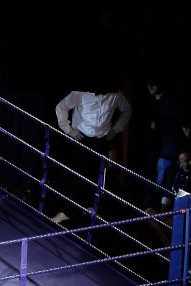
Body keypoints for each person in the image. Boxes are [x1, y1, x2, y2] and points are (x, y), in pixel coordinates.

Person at [53, 77, 132, 224]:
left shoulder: (115, 94)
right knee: (76, 174)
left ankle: (90, 207)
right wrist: (68, 129)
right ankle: (67, 211)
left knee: (96, 176)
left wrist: (115, 130)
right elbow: (61, 107)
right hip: (82, 137)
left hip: (101, 140)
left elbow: (127, 110)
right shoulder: (81, 92)